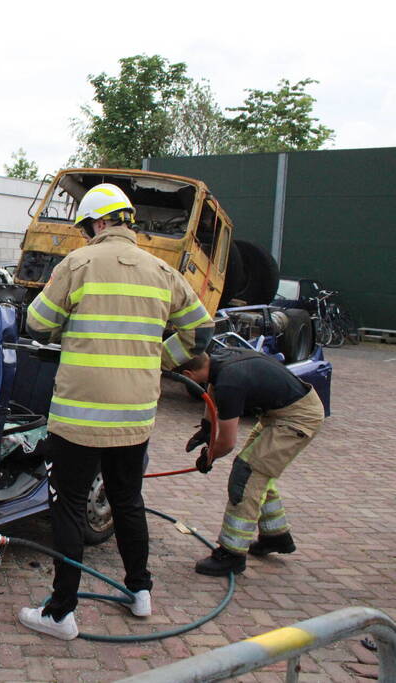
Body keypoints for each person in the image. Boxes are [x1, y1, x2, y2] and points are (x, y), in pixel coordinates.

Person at [18, 183, 214, 640]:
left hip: (79, 417)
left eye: (87, 227)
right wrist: (162, 358)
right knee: (128, 501)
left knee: (68, 507)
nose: (87, 235)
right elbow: (200, 333)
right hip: (135, 417)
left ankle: (61, 612)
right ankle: (139, 592)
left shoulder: (79, 264)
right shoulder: (163, 272)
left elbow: (37, 323)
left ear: (99, 223)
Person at [175, 347, 325, 575]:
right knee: (257, 472)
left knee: (247, 474)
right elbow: (213, 391)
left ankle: (231, 555)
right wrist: (206, 429)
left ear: (187, 376)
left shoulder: (229, 383)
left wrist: (209, 457)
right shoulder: (220, 359)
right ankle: (276, 536)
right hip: (280, 413)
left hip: (297, 419)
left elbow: (227, 442)